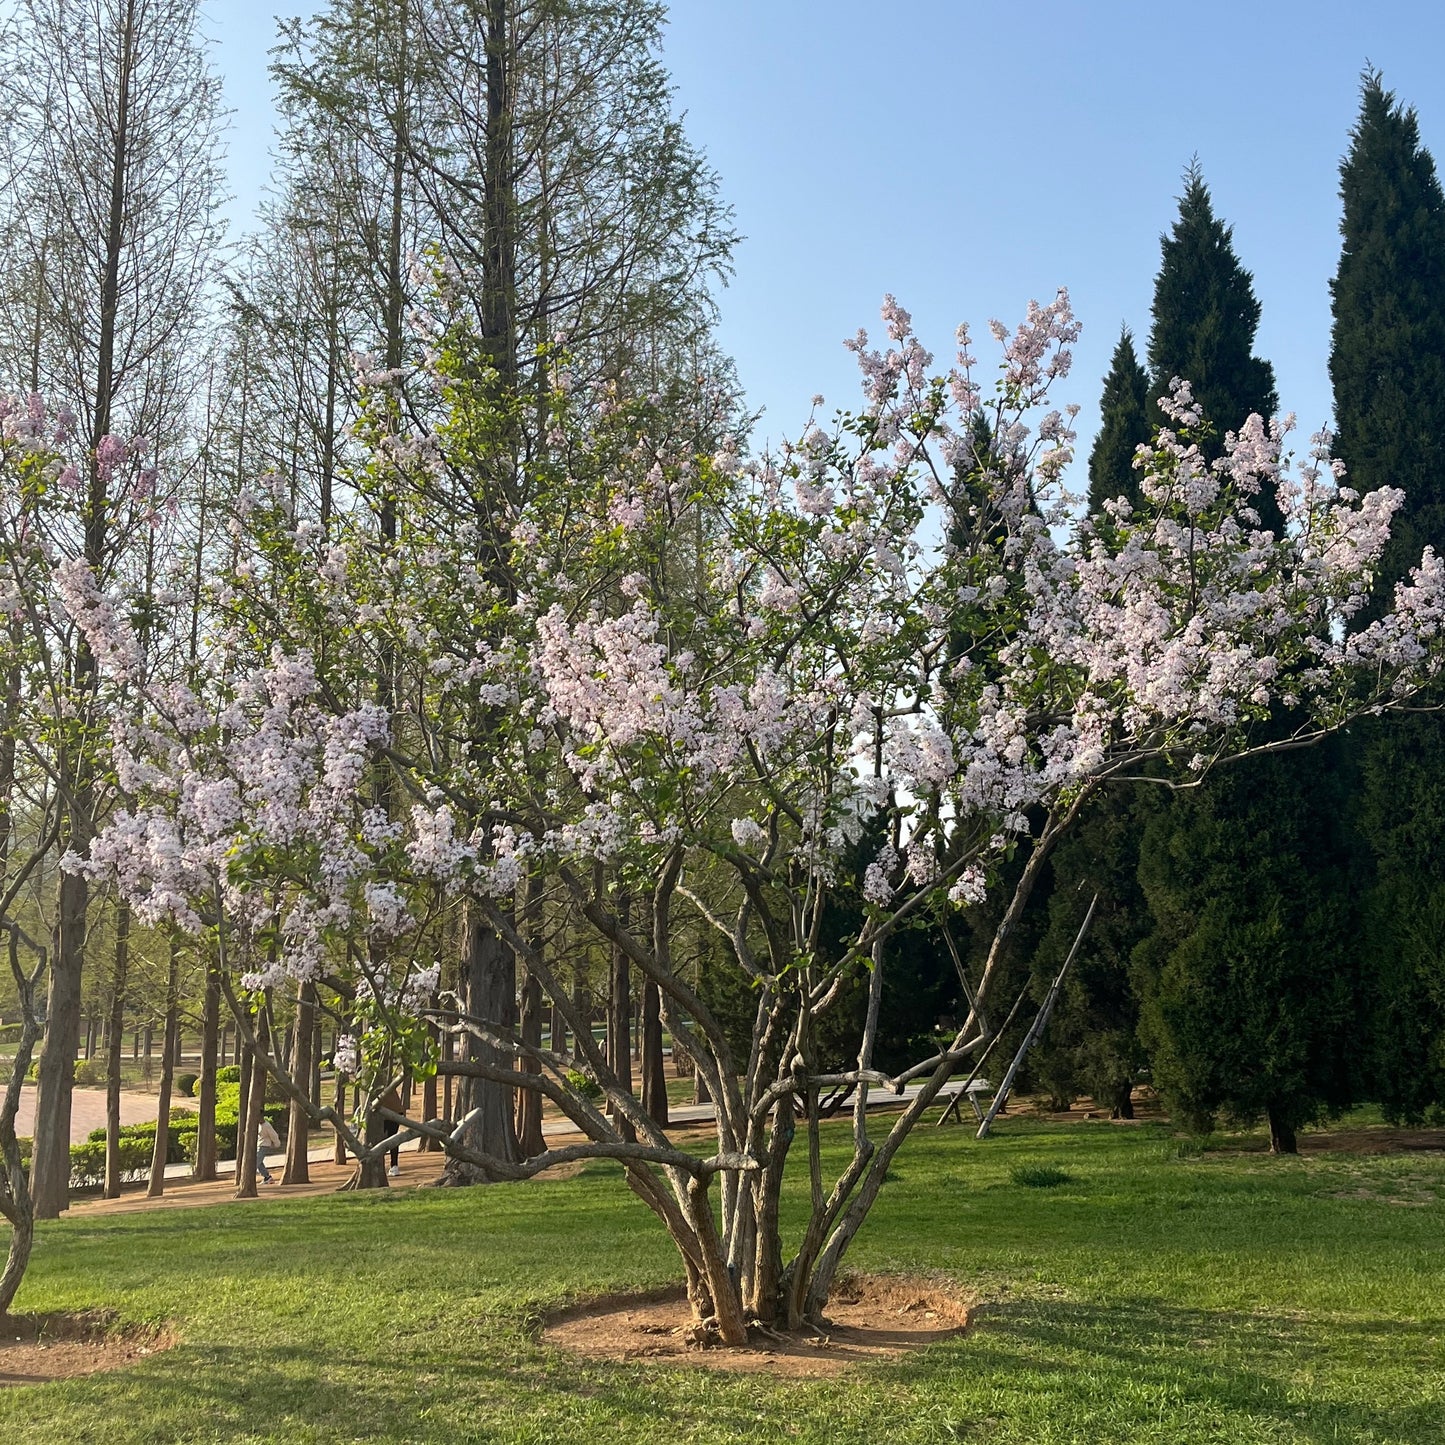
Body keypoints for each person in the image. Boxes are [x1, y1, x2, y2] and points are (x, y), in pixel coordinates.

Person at [377, 1085, 404, 1177]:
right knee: (393, 1139)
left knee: (380, 1140)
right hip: (396, 1111)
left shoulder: (377, 1085)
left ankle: (389, 1166)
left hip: (385, 1113)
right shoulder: (389, 1083)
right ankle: (394, 1165)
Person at [256, 1116, 281, 1184]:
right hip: (259, 1145)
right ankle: (267, 1177)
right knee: (259, 1163)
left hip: (264, 1145)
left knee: (256, 1162)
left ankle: (249, 1177)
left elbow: (274, 1135)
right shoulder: (258, 1125)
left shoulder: (267, 1125)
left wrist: (277, 1144)